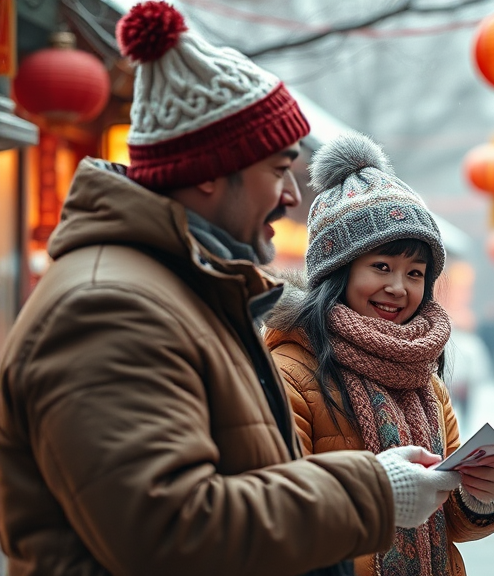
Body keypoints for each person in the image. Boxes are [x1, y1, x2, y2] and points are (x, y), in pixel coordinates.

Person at [0, 4, 460, 575]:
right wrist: (373, 491)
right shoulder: (109, 306)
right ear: (210, 173)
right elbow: (167, 530)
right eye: (277, 169)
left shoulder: (189, 294)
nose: (291, 197)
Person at [264, 132, 494, 576]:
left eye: (415, 273)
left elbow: (447, 517)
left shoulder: (423, 376)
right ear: (336, 272)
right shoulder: (289, 372)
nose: (399, 288)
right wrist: (379, 492)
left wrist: (484, 493)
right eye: (381, 267)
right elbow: (280, 517)